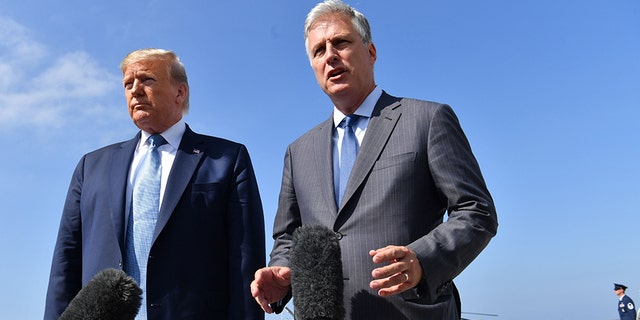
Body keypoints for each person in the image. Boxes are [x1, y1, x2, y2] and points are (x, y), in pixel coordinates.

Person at [250, 1, 498, 319]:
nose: (330, 56)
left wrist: (422, 260)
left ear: (370, 52)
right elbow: (288, 235)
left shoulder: (427, 119)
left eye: (341, 42)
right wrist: (282, 271)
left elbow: (477, 211)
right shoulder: (298, 151)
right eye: (318, 51)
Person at [45, 48, 266, 320]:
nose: (135, 90)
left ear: (180, 92)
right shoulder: (91, 167)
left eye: (147, 79)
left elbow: (245, 264)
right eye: (128, 84)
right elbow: (65, 264)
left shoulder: (228, 159)